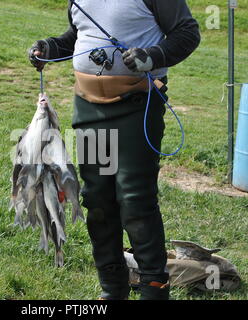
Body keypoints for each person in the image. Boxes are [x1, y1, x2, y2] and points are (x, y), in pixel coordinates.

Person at [28, 0, 200, 300]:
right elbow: (78, 35)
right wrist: (50, 48)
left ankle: (154, 291)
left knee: (135, 200)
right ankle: (112, 290)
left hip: (137, 107)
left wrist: (153, 56)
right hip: (89, 109)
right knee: (98, 201)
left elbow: (188, 32)